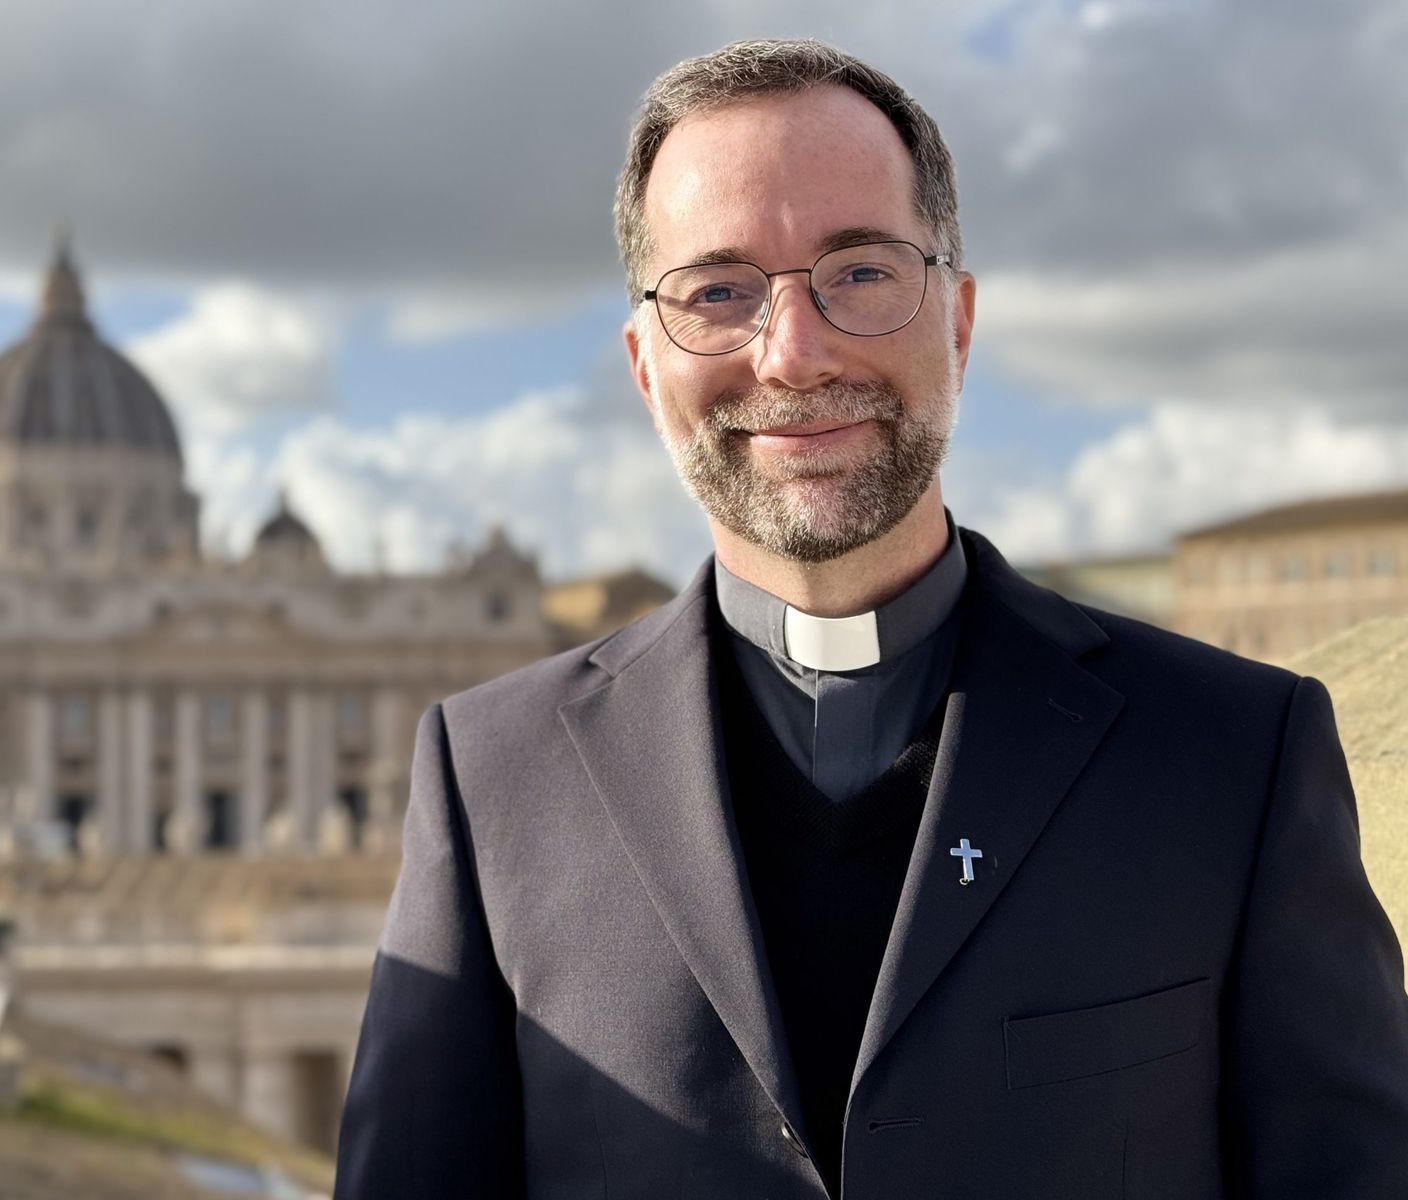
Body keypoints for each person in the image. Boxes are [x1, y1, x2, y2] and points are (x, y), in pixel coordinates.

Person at [334, 38, 1408, 1198]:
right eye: (717, 291)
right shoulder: (490, 775)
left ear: (955, 317)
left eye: (858, 272)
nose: (792, 353)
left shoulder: (1233, 753)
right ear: (646, 365)